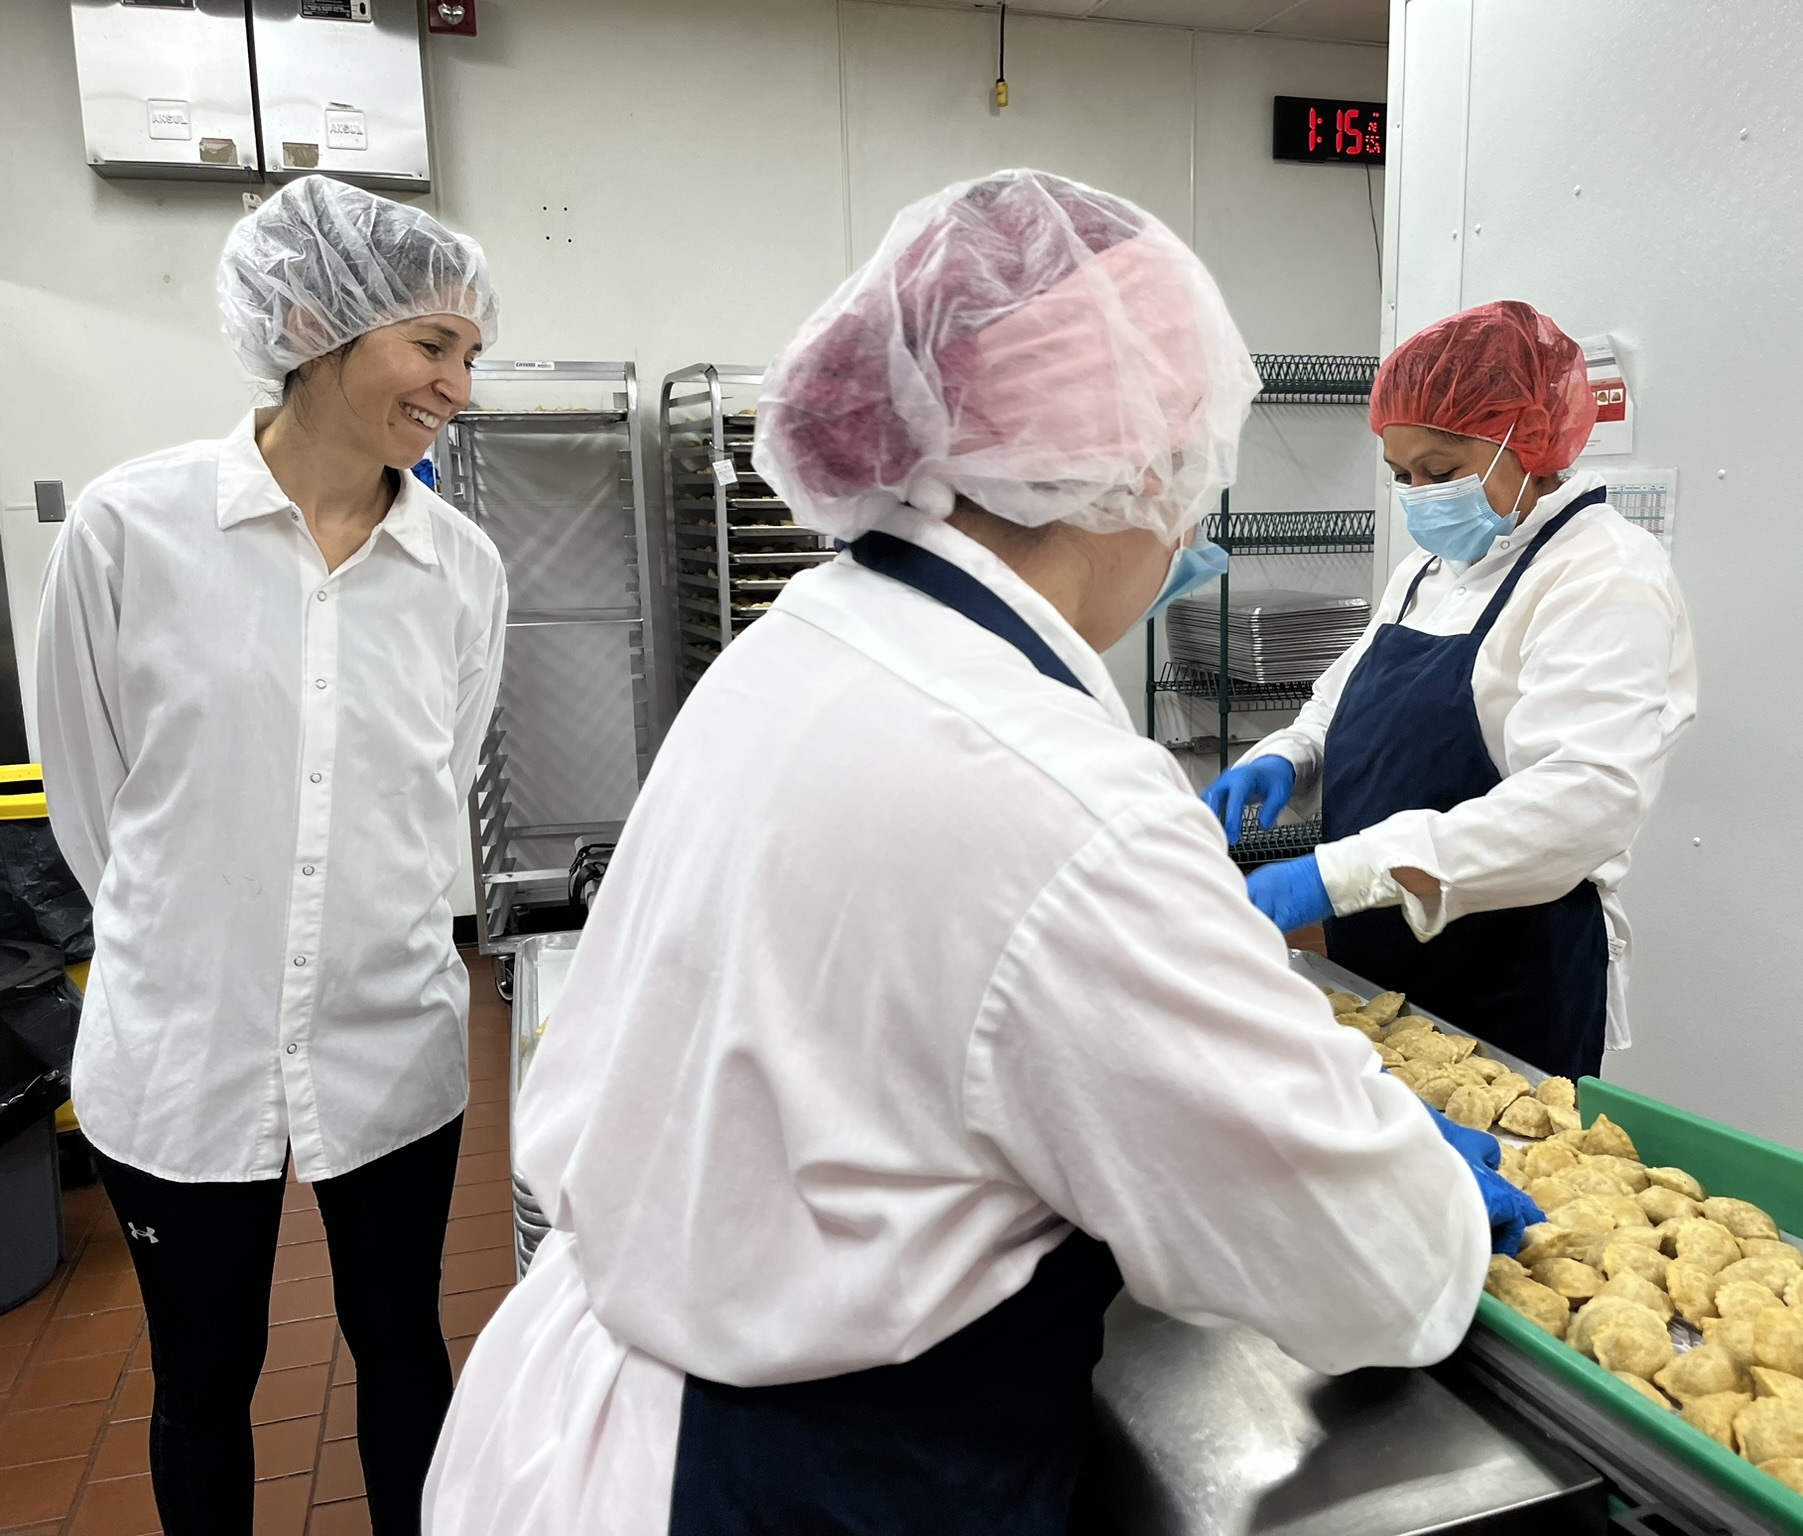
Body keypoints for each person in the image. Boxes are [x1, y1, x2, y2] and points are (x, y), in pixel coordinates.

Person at [423, 170, 1534, 1536]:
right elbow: (1382, 1278)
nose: (1198, 513)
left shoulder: (807, 636)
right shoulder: (1065, 804)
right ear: (1132, 462)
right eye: (1195, 458)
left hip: (582, 1413)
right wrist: (1408, 1180)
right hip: (792, 1485)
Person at [36, 175, 508, 1536]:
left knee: (403, 1346)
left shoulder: (459, 568)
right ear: (315, 318)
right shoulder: (133, 530)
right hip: (185, 1046)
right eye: (433, 346)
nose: (458, 386)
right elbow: (93, 800)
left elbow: (434, 780)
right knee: (203, 1375)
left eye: (470, 354)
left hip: (387, 1036)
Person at [1202, 300, 1697, 1081]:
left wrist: (1339, 874)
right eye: (1402, 475)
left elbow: (1584, 797)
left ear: (1526, 440)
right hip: (1379, 945)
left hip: (1508, 972)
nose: (1419, 494)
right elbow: (1342, 701)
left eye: (1440, 471)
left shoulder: (1604, 575)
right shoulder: (1431, 570)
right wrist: (1290, 756)